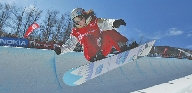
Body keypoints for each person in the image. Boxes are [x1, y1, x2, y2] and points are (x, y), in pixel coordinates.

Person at [54, 8, 128, 62]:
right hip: (93, 53)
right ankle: (94, 57)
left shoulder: (94, 21)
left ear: (83, 15)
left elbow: (105, 23)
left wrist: (114, 23)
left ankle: (122, 46)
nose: (78, 22)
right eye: (75, 21)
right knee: (85, 37)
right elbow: (70, 44)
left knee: (107, 31)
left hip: (103, 47)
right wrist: (61, 50)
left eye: (79, 18)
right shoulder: (76, 32)